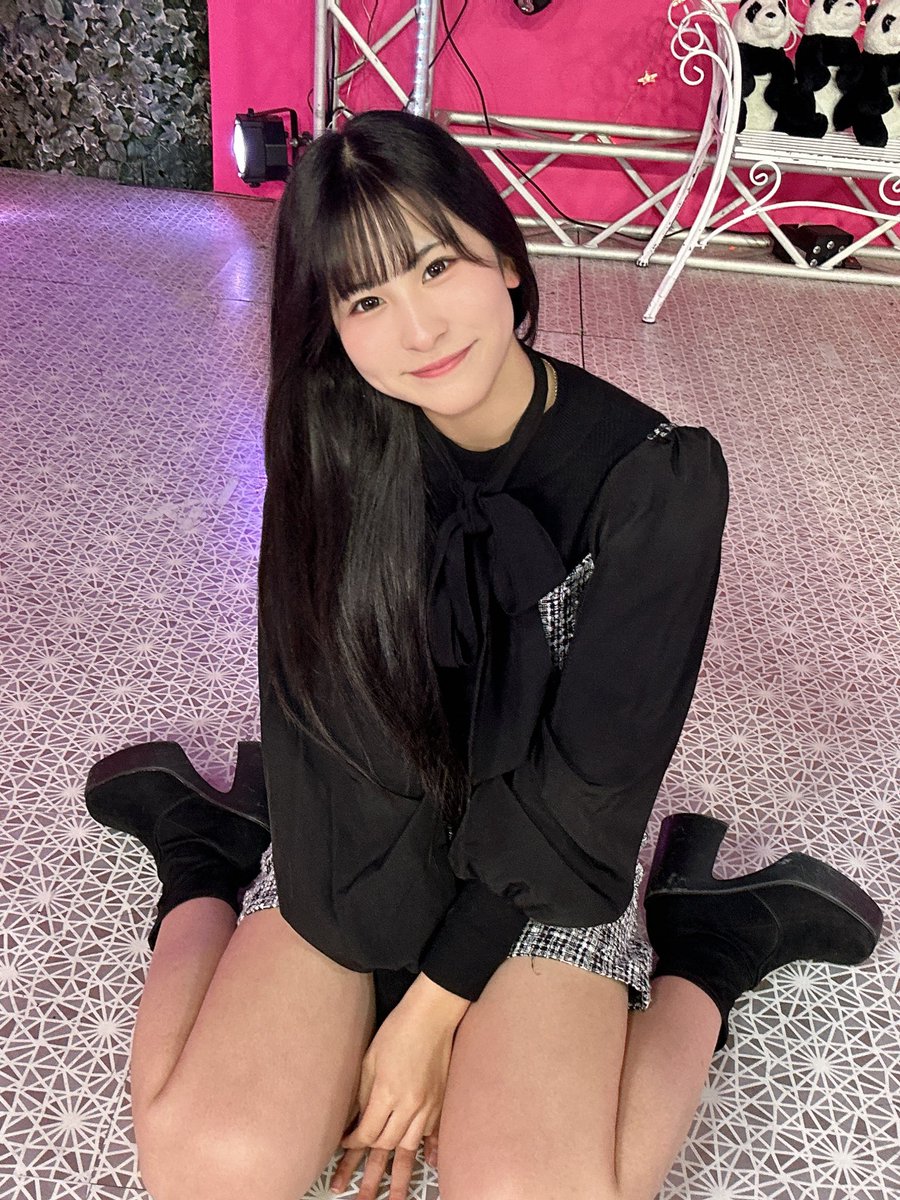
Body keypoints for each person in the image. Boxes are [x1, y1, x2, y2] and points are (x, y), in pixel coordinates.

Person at [84, 109, 883, 1200]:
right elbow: (318, 711)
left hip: (547, 858)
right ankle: (204, 854)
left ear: (505, 257)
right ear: (331, 324)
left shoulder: (655, 483)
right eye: (366, 300)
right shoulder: (330, 439)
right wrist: (370, 970)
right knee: (208, 1168)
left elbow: (592, 784)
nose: (417, 329)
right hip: (357, 841)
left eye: (435, 266)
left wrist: (434, 1008)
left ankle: (709, 950)